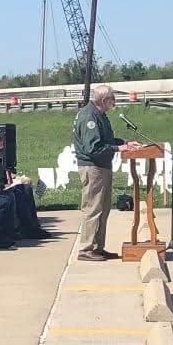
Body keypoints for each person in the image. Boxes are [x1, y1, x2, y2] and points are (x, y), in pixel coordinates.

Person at [73, 84, 124, 261]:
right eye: (112, 99)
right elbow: (93, 148)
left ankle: (98, 247)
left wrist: (124, 143)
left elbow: (105, 140)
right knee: (93, 208)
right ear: (104, 100)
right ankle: (86, 249)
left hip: (102, 166)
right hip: (93, 167)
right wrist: (118, 147)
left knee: (103, 208)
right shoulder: (90, 116)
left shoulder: (99, 115)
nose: (114, 102)